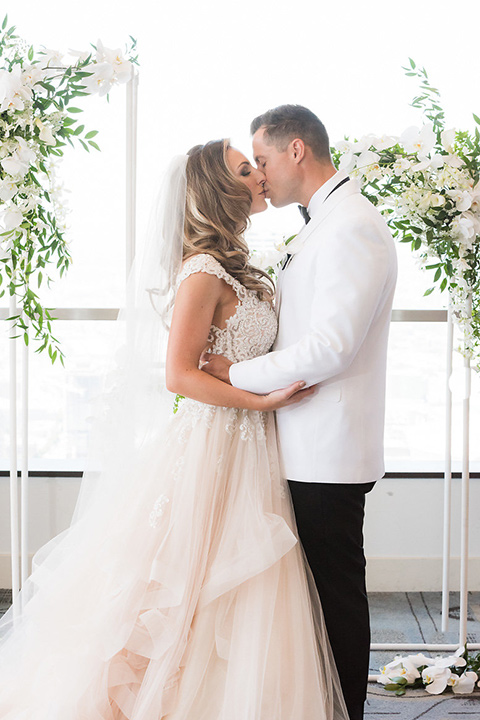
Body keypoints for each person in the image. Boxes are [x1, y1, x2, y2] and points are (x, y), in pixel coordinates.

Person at [0, 139, 349, 720]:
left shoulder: (243, 265)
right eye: (246, 168)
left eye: (258, 165)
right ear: (219, 187)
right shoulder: (202, 271)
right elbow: (179, 375)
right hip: (212, 443)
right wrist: (257, 402)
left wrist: (248, 383)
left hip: (248, 452)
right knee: (181, 586)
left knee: (238, 589)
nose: (260, 174)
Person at [201, 106, 398, 720]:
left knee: (335, 592)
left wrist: (237, 374)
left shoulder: (351, 226)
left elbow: (331, 346)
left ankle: (345, 712)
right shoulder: (325, 223)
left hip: (328, 445)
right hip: (303, 438)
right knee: (313, 593)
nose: (258, 175)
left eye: (260, 161)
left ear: (295, 151)